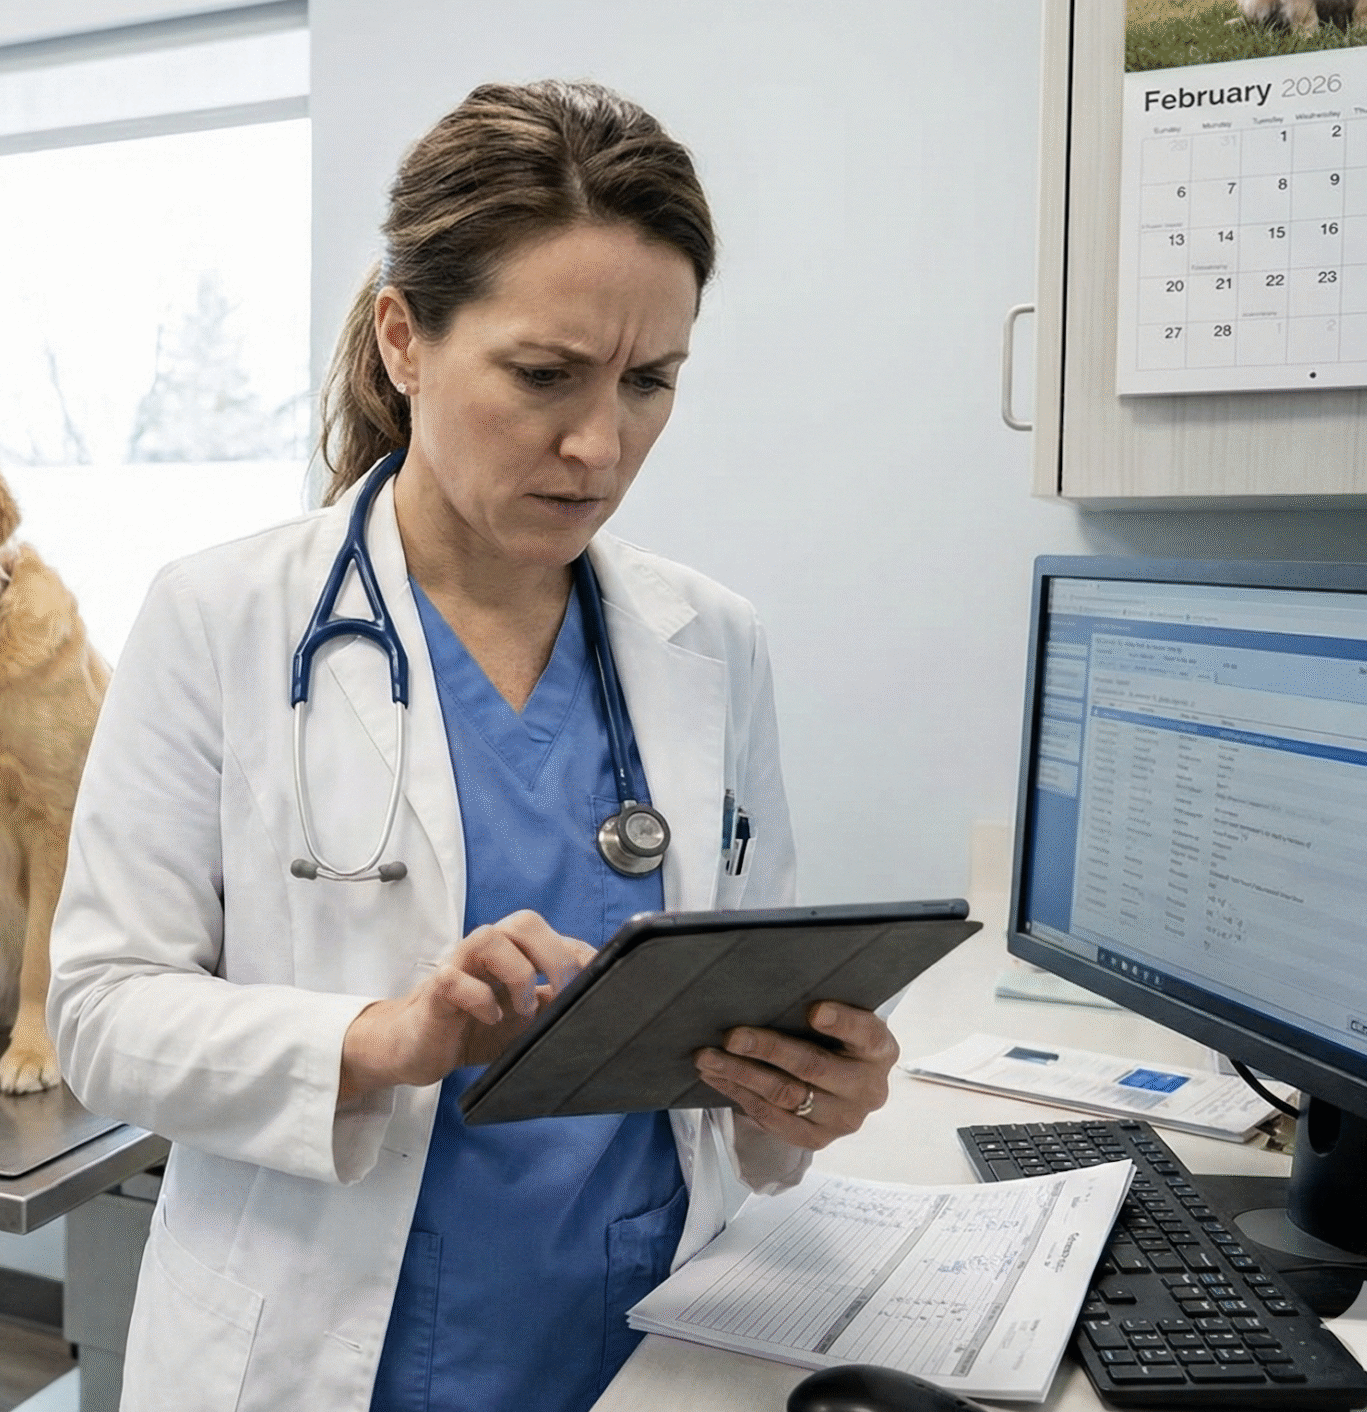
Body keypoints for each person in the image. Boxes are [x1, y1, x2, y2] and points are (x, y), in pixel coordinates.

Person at [47, 82, 901, 1412]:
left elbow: (748, 1020)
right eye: (545, 375)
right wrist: (375, 1039)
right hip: (325, 1350)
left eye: (650, 382)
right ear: (404, 336)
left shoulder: (710, 644)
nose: (600, 445)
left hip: (648, 1337)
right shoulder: (222, 618)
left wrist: (801, 1100)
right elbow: (100, 1017)